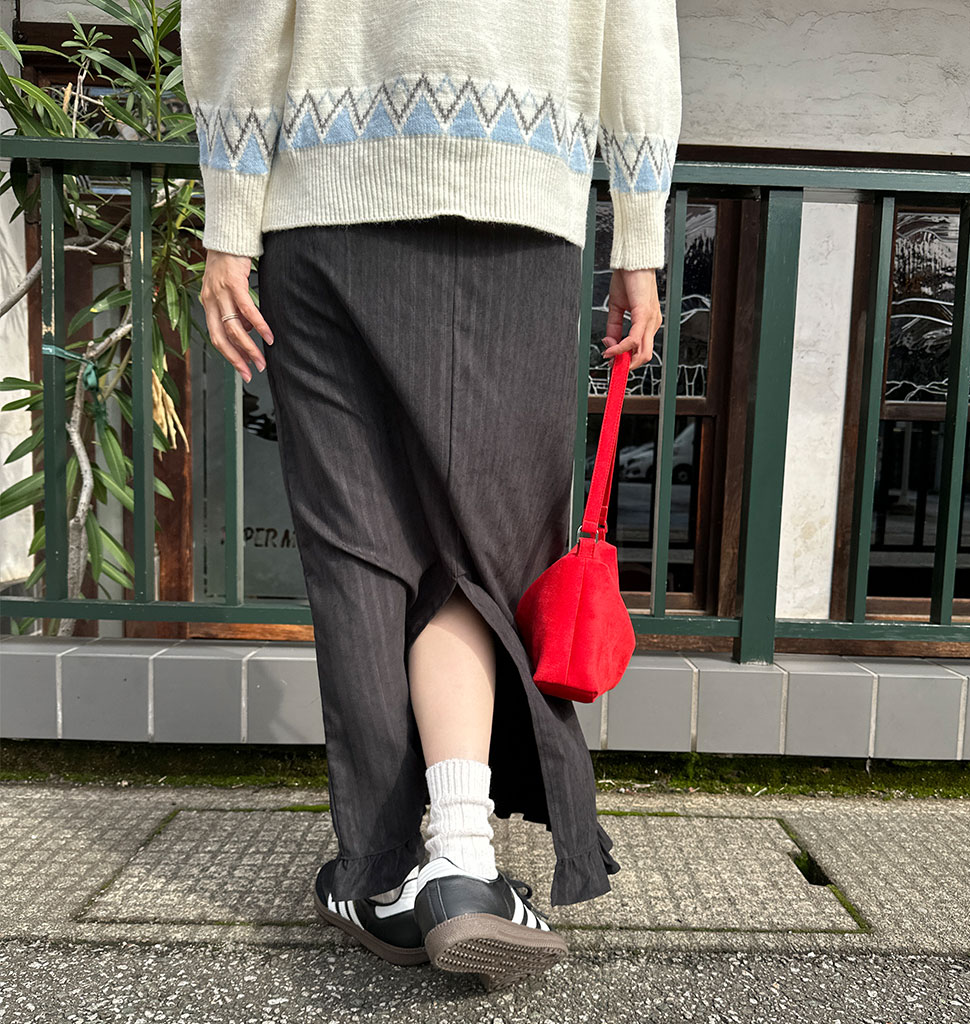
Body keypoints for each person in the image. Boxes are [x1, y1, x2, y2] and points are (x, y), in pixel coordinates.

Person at [180, 0, 681, 990]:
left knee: (361, 547)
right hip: (518, 201)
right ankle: (460, 861)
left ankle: (377, 874)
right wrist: (638, 236)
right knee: (479, 545)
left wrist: (229, 219)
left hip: (325, 199)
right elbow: (636, 28)